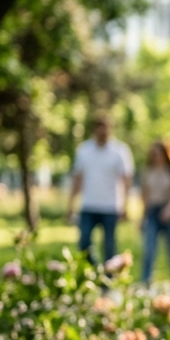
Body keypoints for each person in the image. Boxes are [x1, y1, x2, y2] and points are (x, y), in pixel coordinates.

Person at [67, 113, 134, 265]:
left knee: (109, 246)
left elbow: (126, 180)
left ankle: (107, 280)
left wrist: (126, 205)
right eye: (100, 129)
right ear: (94, 130)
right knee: (84, 243)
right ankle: (94, 270)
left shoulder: (120, 151)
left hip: (110, 206)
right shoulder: (84, 150)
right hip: (88, 205)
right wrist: (71, 204)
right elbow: (77, 179)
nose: (103, 133)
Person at [140, 139, 170, 284]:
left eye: (159, 154)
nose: (157, 157)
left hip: (169, 213)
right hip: (153, 212)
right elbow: (145, 196)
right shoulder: (148, 172)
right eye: (154, 154)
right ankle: (146, 281)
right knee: (149, 249)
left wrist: (169, 210)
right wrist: (143, 216)